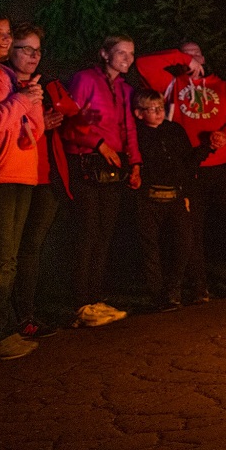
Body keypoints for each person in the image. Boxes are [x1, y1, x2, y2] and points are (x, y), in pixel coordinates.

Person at [135, 41, 226, 301]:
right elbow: (142, 64)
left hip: (222, 164)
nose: (191, 58)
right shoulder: (173, 84)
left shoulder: (222, 87)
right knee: (192, 227)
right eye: (186, 55)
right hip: (190, 166)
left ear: (204, 58)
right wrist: (183, 61)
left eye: (195, 54)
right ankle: (198, 285)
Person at [0, 15, 45, 359]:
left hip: (21, 172)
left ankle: (0, 330)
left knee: (8, 260)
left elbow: (36, 131)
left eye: (6, 33)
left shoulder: (7, 76)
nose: (3, 38)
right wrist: (20, 102)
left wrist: (34, 101)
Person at [62, 35, 142, 326]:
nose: (127, 59)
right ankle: (79, 304)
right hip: (88, 162)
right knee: (87, 233)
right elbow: (71, 121)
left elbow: (128, 128)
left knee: (104, 233)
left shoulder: (124, 88)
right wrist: (99, 144)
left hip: (113, 166)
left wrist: (135, 164)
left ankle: (94, 299)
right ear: (105, 53)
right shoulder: (84, 80)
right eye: (121, 52)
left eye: (131, 54)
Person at [7, 23, 72, 339]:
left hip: (45, 176)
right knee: (8, 250)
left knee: (33, 247)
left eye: (38, 50)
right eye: (26, 49)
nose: (34, 56)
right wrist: (39, 123)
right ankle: (7, 318)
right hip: (16, 177)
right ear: (10, 50)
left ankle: (27, 315)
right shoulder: (2, 83)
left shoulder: (39, 86)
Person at [133, 89, 209, 311]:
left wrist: (207, 148)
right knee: (151, 247)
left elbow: (186, 162)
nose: (158, 113)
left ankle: (173, 287)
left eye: (161, 108)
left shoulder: (174, 130)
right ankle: (157, 295)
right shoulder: (137, 134)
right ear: (139, 113)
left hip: (175, 195)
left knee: (185, 241)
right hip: (148, 197)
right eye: (152, 109)